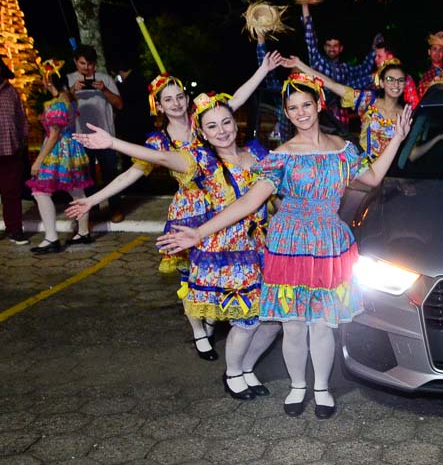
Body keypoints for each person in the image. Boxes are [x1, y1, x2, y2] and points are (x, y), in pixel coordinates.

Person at [157, 75, 412, 418]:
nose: (301, 112)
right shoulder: (282, 156)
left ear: (319, 104)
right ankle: (297, 386)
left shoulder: (343, 149)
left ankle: (321, 388)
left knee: (322, 324)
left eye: (306, 104)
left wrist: (397, 139)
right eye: (293, 108)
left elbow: (373, 178)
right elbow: (249, 202)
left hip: (328, 244)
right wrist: (199, 232)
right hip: (289, 245)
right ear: (287, 114)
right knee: (293, 324)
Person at [67, 56, 279, 359]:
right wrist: (93, 198)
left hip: (222, 204)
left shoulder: (205, 121)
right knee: (190, 276)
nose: (176, 103)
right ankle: (198, 330)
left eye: (180, 96)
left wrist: (263, 69)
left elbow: (235, 101)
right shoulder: (160, 141)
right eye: (168, 99)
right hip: (189, 213)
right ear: (159, 106)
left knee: (219, 271)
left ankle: (215, 318)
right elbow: (134, 172)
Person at [284, 56, 406, 161]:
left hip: (393, 173)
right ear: (382, 82)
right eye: (390, 79)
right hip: (363, 169)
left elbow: (410, 153)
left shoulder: (406, 114)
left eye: (400, 80)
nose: (396, 84)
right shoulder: (368, 101)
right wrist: (299, 64)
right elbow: (332, 85)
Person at [26, 67, 93, 254]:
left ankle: (51, 238)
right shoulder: (70, 99)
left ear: (48, 81)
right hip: (72, 148)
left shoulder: (56, 104)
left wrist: (38, 160)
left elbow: (54, 134)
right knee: (77, 190)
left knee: (40, 191)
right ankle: (83, 232)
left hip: (57, 150)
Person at [65, 44, 124, 222]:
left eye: (90, 64)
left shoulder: (105, 79)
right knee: (86, 176)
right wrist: (72, 90)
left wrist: (104, 90)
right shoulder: (69, 79)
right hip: (80, 136)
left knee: (110, 173)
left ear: (95, 63)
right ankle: (92, 211)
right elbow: (60, 104)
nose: (86, 68)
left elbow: (119, 104)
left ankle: (115, 208)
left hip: (105, 135)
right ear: (75, 61)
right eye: (82, 63)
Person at [0, 58, 30, 244]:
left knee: (11, 192)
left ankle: (15, 229)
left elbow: (21, 119)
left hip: (10, 150)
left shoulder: (11, 92)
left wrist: (22, 140)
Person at [111, 61, 152, 147]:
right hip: (145, 124)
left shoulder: (125, 85)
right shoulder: (142, 79)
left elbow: (121, 105)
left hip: (131, 127)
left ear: (119, 71)